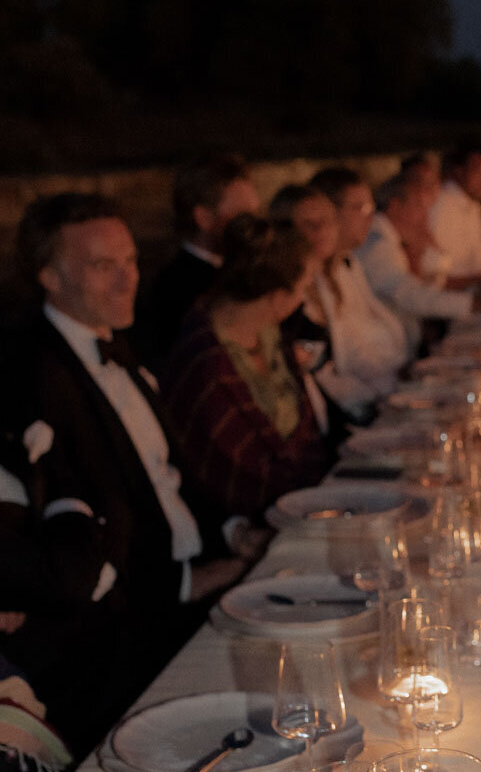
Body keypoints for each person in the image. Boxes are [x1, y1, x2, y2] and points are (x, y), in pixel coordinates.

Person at [12, 192, 247, 722]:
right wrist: (196, 580)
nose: (128, 279)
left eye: (130, 261)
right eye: (103, 266)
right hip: (138, 627)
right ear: (49, 276)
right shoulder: (35, 382)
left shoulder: (116, 342)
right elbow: (80, 541)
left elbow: (172, 476)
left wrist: (235, 531)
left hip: (196, 575)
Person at [161, 215, 329, 519]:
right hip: (238, 525)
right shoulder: (204, 361)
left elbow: (301, 430)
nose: (303, 300)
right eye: (302, 289)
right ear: (277, 296)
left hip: (302, 504)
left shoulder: (268, 332)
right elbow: (219, 470)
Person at [270, 180, 407, 423]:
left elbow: (355, 346)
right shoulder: (283, 296)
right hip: (330, 416)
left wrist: (392, 386)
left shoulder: (330, 276)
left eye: (328, 222)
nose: (323, 232)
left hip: (359, 400)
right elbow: (322, 372)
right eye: (310, 225)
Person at [140, 152, 260, 362]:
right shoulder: (176, 287)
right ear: (204, 218)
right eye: (242, 216)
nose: (254, 227)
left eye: (256, 213)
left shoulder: (241, 267)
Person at [359, 155, 474, 352]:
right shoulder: (377, 244)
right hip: (387, 354)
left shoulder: (392, 240)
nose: (424, 217)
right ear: (395, 206)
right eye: (418, 207)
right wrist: (475, 304)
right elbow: (410, 296)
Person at [429, 144, 481, 280]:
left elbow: (477, 261)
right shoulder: (441, 204)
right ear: (459, 171)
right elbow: (435, 273)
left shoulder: (473, 205)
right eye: (479, 173)